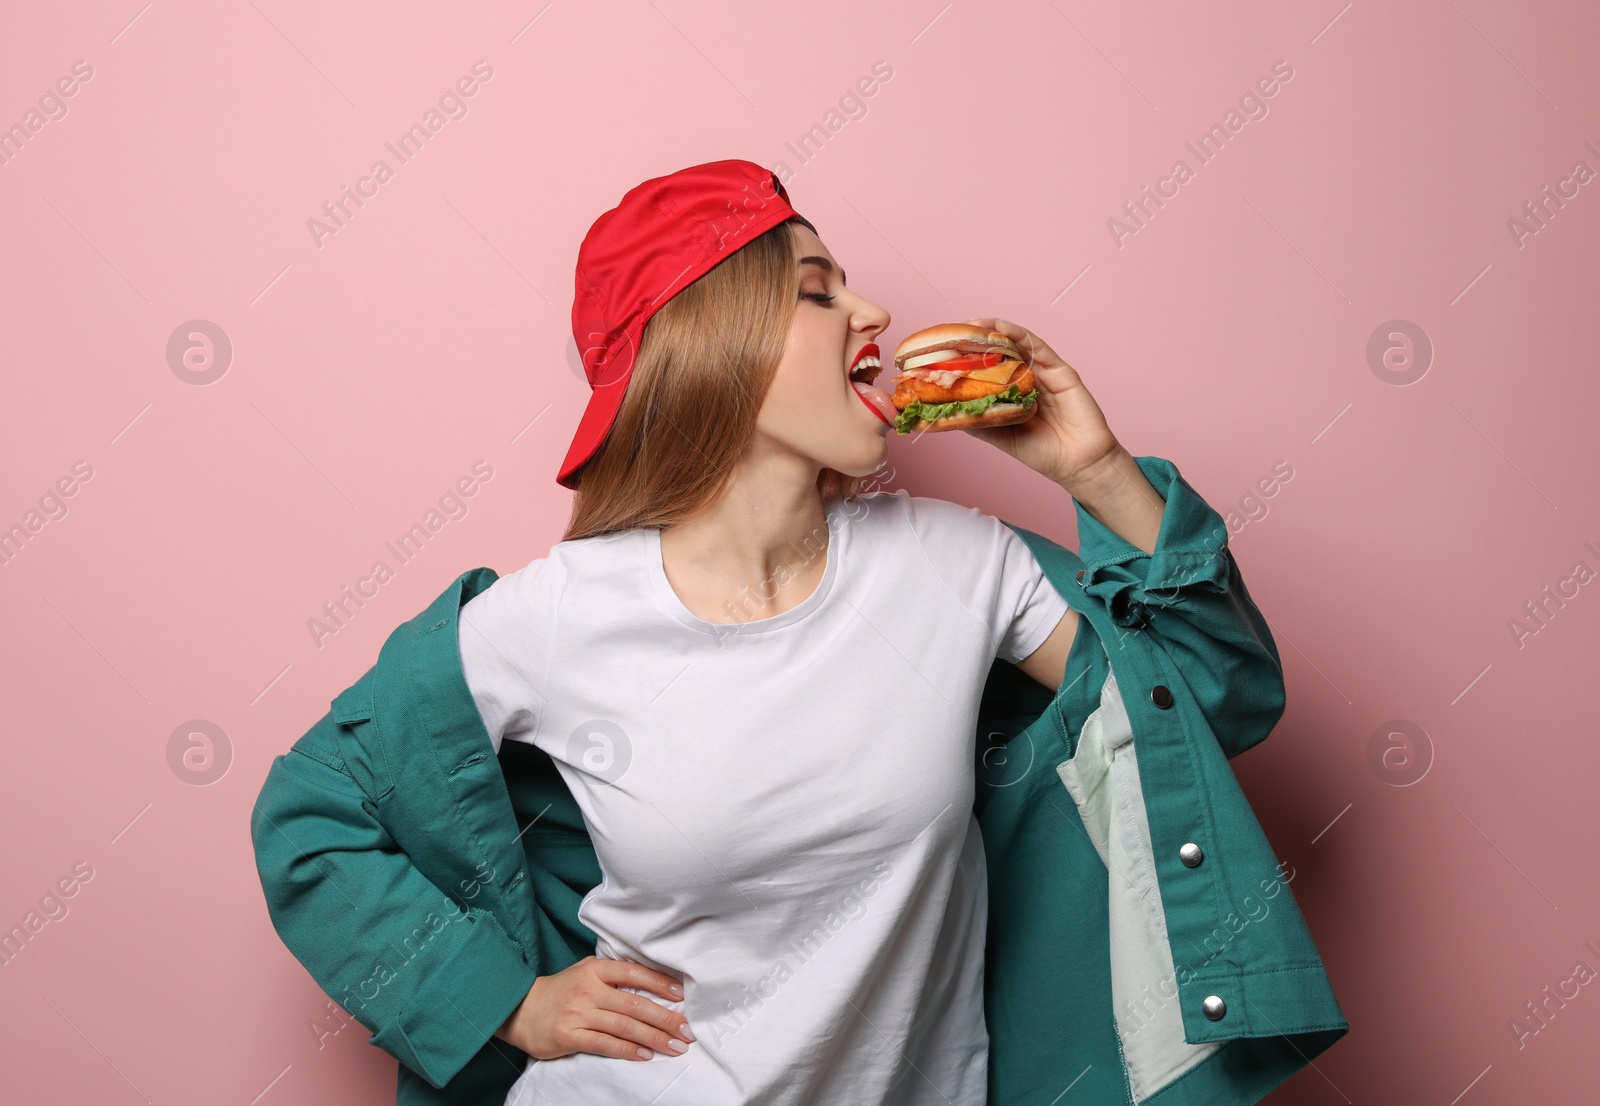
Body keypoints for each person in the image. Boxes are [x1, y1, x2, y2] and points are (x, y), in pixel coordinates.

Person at [460, 159, 1167, 1105]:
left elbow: (1192, 713)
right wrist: (503, 1003)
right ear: (716, 341)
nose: (872, 313)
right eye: (817, 291)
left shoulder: (957, 564)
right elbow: (321, 812)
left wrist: (1099, 470)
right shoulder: (551, 618)